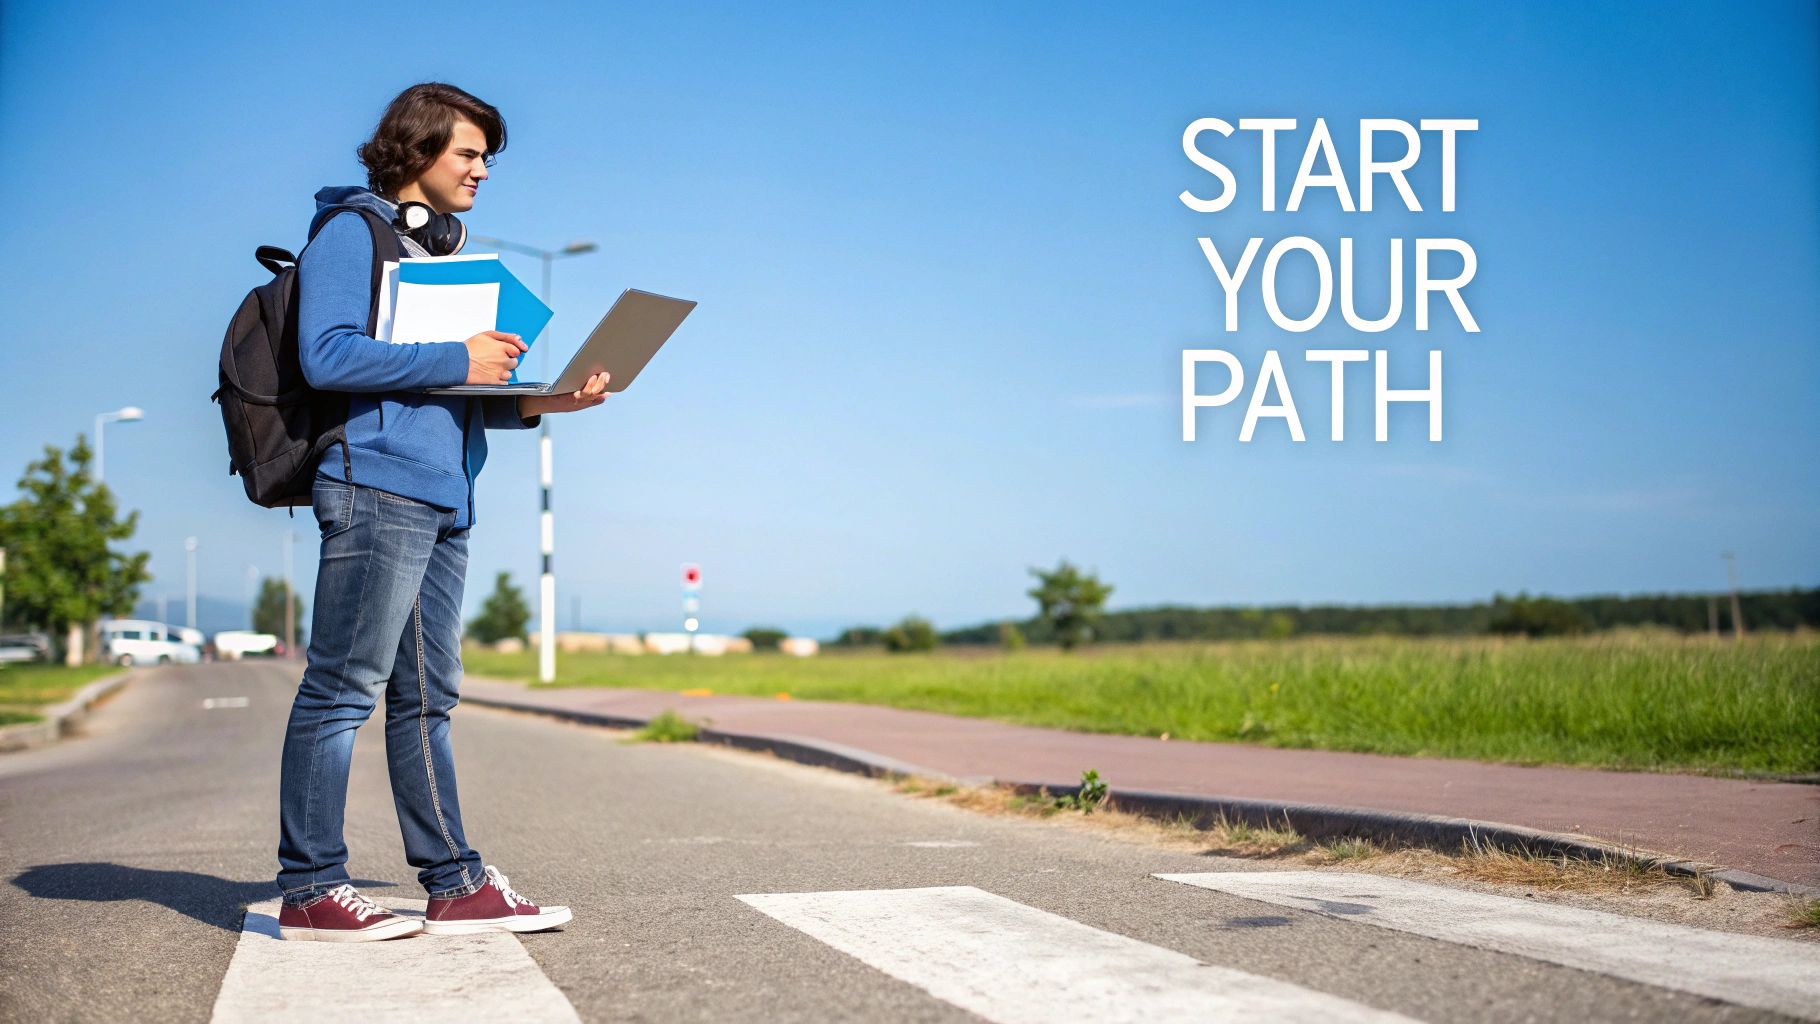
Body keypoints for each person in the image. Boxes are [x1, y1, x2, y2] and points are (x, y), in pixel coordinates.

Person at [274, 82, 606, 942]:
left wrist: (540, 403)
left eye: (487, 157)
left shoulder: (432, 258)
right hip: (376, 487)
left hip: (442, 495)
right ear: (415, 152)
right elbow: (327, 353)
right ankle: (311, 887)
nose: (481, 170)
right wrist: (455, 350)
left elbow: (444, 390)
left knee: (426, 698)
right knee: (343, 689)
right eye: (468, 152)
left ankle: (454, 885)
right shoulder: (353, 235)